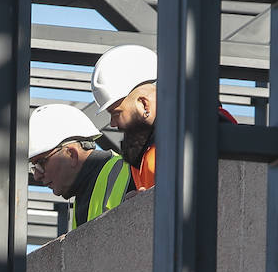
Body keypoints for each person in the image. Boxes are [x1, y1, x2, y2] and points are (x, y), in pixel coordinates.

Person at [90, 44, 237, 191]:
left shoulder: (202, 128)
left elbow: (233, 188)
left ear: (144, 105)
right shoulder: (144, 149)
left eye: (116, 113)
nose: (113, 123)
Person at [28, 103, 134, 230]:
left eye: (41, 162)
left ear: (71, 154)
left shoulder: (129, 171)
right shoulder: (82, 195)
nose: (37, 175)